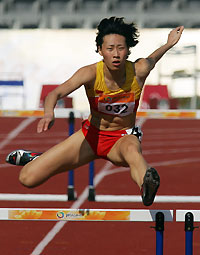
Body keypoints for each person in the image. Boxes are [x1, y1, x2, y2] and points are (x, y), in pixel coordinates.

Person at [6, 17, 184, 206]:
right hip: (90, 137)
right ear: (100, 50)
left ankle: (146, 183)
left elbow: (153, 58)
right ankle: (39, 159)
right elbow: (55, 93)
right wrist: (49, 113)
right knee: (27, 178)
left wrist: (169, 43)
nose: (116, 54)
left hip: (122, 138)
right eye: (110, 49)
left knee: (133, 152)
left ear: (128, 50)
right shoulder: (90, 73)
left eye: (120, 48)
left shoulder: (139, 70)